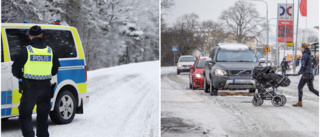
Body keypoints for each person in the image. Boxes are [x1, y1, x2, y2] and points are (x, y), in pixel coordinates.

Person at [12, 25, 60, 137]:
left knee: (25, 116)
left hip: (29, 89)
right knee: (43, 117)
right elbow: (54, 70)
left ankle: (29, 135)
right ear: (41, 35)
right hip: (45, 89)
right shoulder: (50, 51)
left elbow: (15, 70)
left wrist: (23, 76)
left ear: (30, 36)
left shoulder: (26, 51)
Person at [293, 43, 319, 107]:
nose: (300, 49)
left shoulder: (305, 55)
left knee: (300, 87)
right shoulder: (308, 54)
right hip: (310, 74)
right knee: (311, 89)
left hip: (306, 74)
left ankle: (299, 102)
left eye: (300, 47)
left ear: (303, 48)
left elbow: (303, 65)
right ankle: (300, 102)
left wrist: (299, 72)